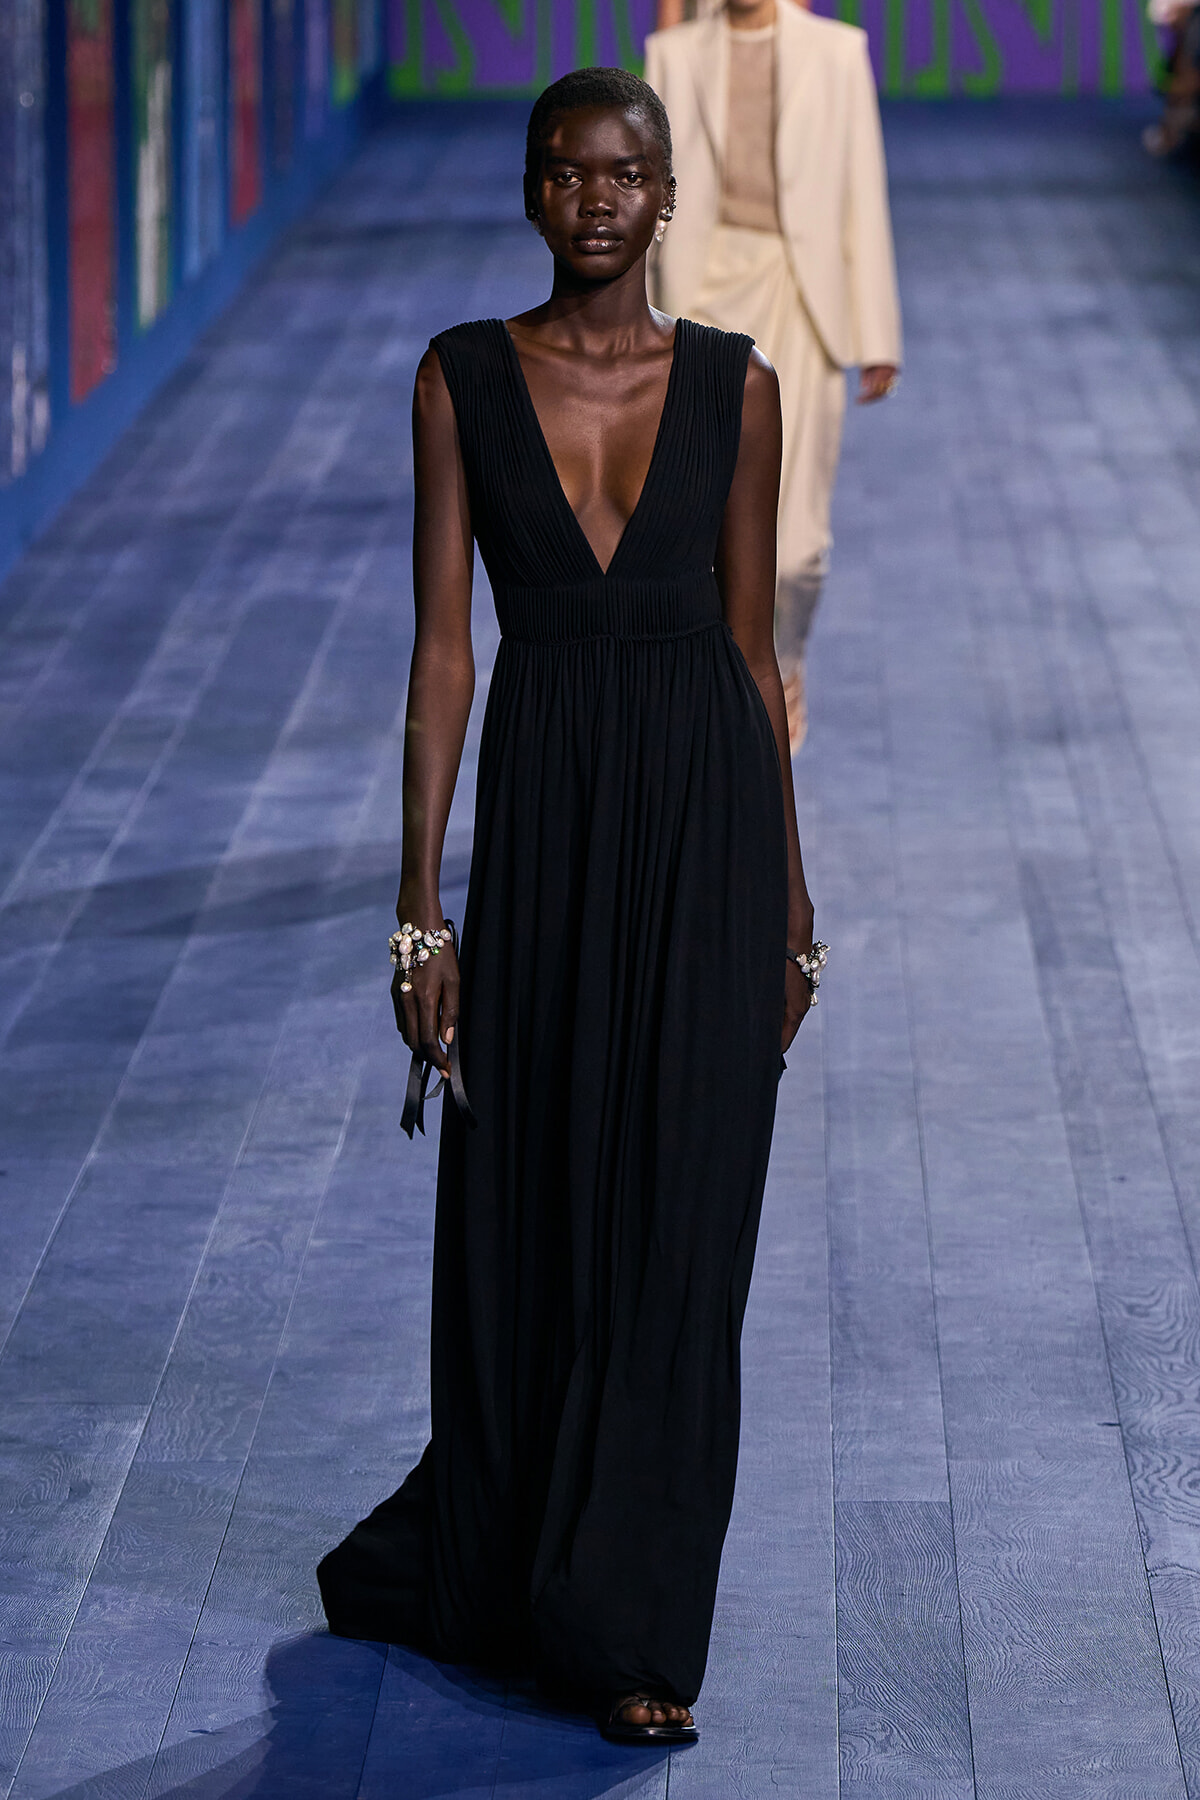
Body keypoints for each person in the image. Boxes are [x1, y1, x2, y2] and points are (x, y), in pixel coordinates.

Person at [317, 65, 822, 1746]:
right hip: (541, 830)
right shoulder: (458, 381)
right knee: (530, 1198)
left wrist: (796, 905)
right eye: (562, 172)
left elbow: (754, 657)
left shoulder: (738, 394)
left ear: (665, 194)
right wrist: (418, 908)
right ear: (529, 191)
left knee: (680, 1226)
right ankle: (517, 1556)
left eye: (622, 174)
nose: (592, 200)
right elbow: (444, 651)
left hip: (707, 833)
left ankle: (633, 1636)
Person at [645, 0, 902, 749]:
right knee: (699, 523)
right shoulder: (672, 55)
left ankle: (782, 662)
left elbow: (862, 191)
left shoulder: (838, 53)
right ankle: (725, 706)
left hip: (802, 295)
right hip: (699, 296)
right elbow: (651, 198)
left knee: (795, 547)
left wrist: (876, 330)